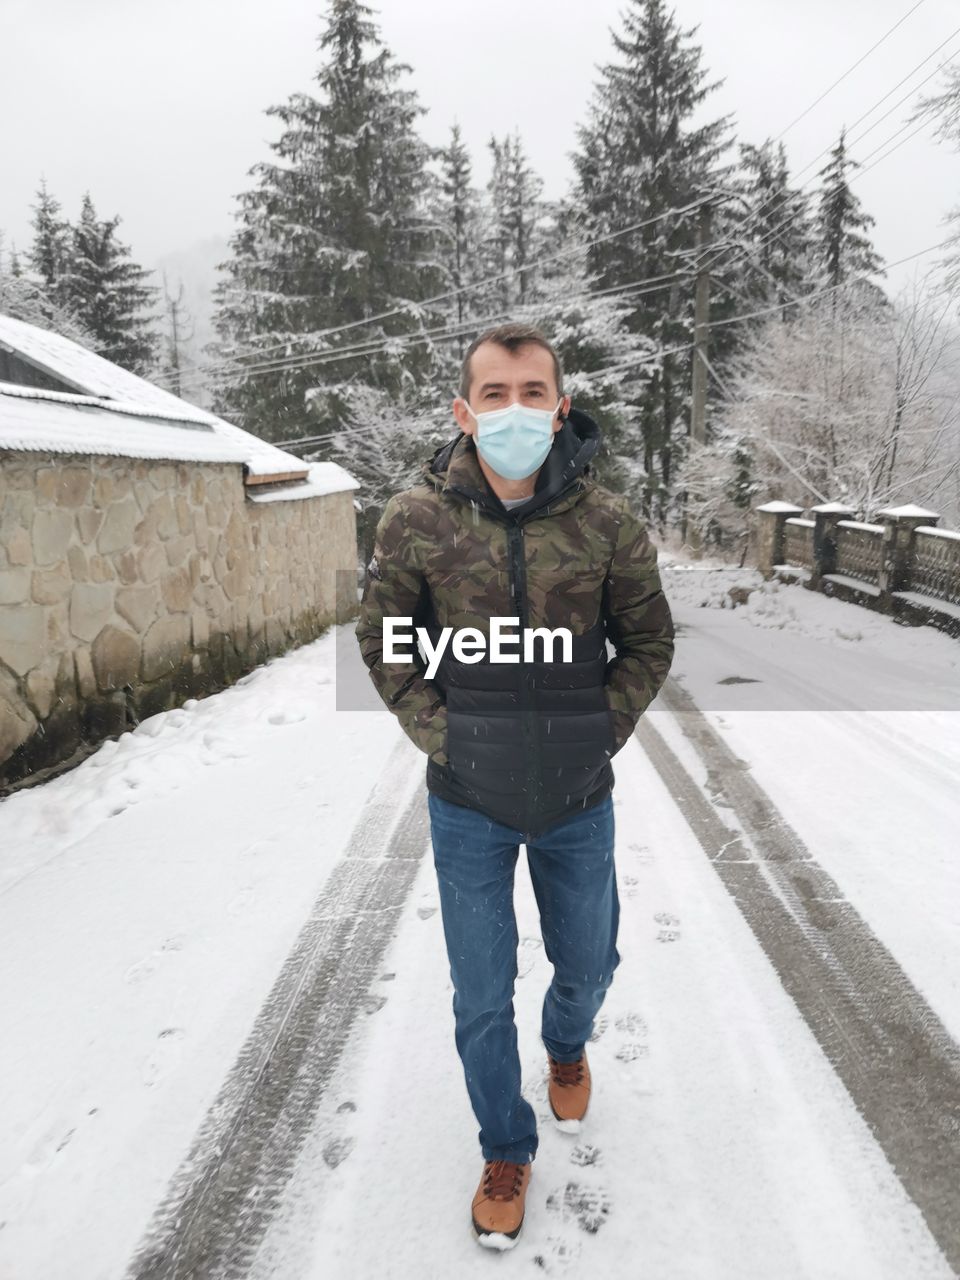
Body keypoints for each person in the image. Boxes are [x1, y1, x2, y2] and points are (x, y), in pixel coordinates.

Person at [355, 322, 675, 1249]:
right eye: (494, 394)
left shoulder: (609, 520)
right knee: (480, 992)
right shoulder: (414, 519)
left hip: (579, 800)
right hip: (468, 804)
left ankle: (567, 1044)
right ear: (464, 411)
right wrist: (443, 738)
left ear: (560, 406)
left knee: (588, 964)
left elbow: (650, 641)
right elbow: (384, 642)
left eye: (532, 392)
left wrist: (595, 730)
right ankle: (505, 1145)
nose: (514, 410)